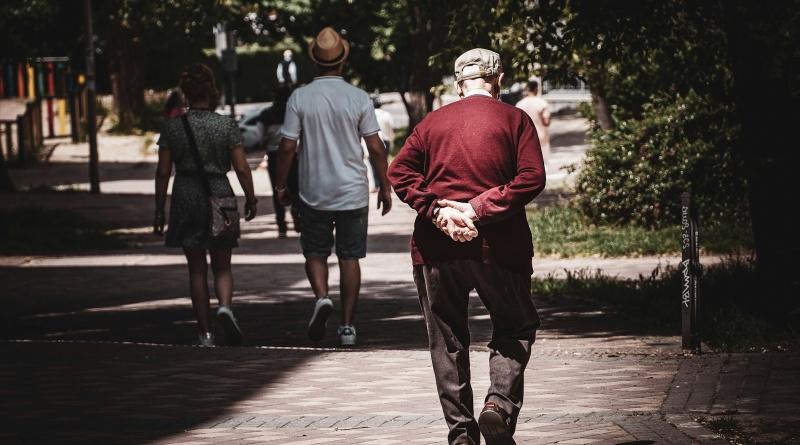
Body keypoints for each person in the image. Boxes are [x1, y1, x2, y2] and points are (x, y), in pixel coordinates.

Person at [387, 48, 546, 445]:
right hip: (500, 247)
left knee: (446, 342)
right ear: (499, 80)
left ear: (458, 85)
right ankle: (498, 405)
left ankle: (461, 437)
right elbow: (532, 178)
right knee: (516, 326)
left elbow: (399, 171)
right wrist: (477, 209)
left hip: (435, 249)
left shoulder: (431, 122)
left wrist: (438, 212)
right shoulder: (515, 119)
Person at [274, 27, 393, 347]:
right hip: (353, 191)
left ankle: (322, 297)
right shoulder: (358, 97)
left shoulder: (299, 97)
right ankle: (347, 327)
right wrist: (385, 186)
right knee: (349, 258)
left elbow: (287, 148)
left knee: (314, 252)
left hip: (314, 191)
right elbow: (377, 147)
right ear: (342, 61)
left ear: (315, 61)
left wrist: (280, 185)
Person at [154, 63, 259, 347]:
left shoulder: (172, 127)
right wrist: (250, 198)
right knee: (222, 266)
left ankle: (205, 334)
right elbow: (241, 168)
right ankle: (225, 306)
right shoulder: (225, 124)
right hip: (220, 194)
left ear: (185, 92)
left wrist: (158, 209)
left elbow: (163, 171)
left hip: (186, 194)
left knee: (197, 269)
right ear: (211, 91)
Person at [258, 83, 299, 238]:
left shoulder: (265, 115)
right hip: (294, 153)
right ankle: (296, 208)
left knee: (278, 188)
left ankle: (281, 226)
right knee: (295, 186)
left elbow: (259, 136)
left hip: (274, 155)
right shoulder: (294, 113)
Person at [515, 80, 551, 168]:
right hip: (540, 136)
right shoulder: (542, 103)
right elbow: (546, 122)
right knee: (543, 163)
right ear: (537, 89)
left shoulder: (519, 104)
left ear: (527, 89)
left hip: (524, 138)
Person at [367, 95, 395, 192]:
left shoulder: (368, 115)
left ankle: (377, 185)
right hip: (386, 141)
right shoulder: (387, 115)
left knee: (373, 163)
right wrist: (391, 141)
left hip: (373, 140)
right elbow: (390, 130)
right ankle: (386, 185)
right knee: (384, 163)